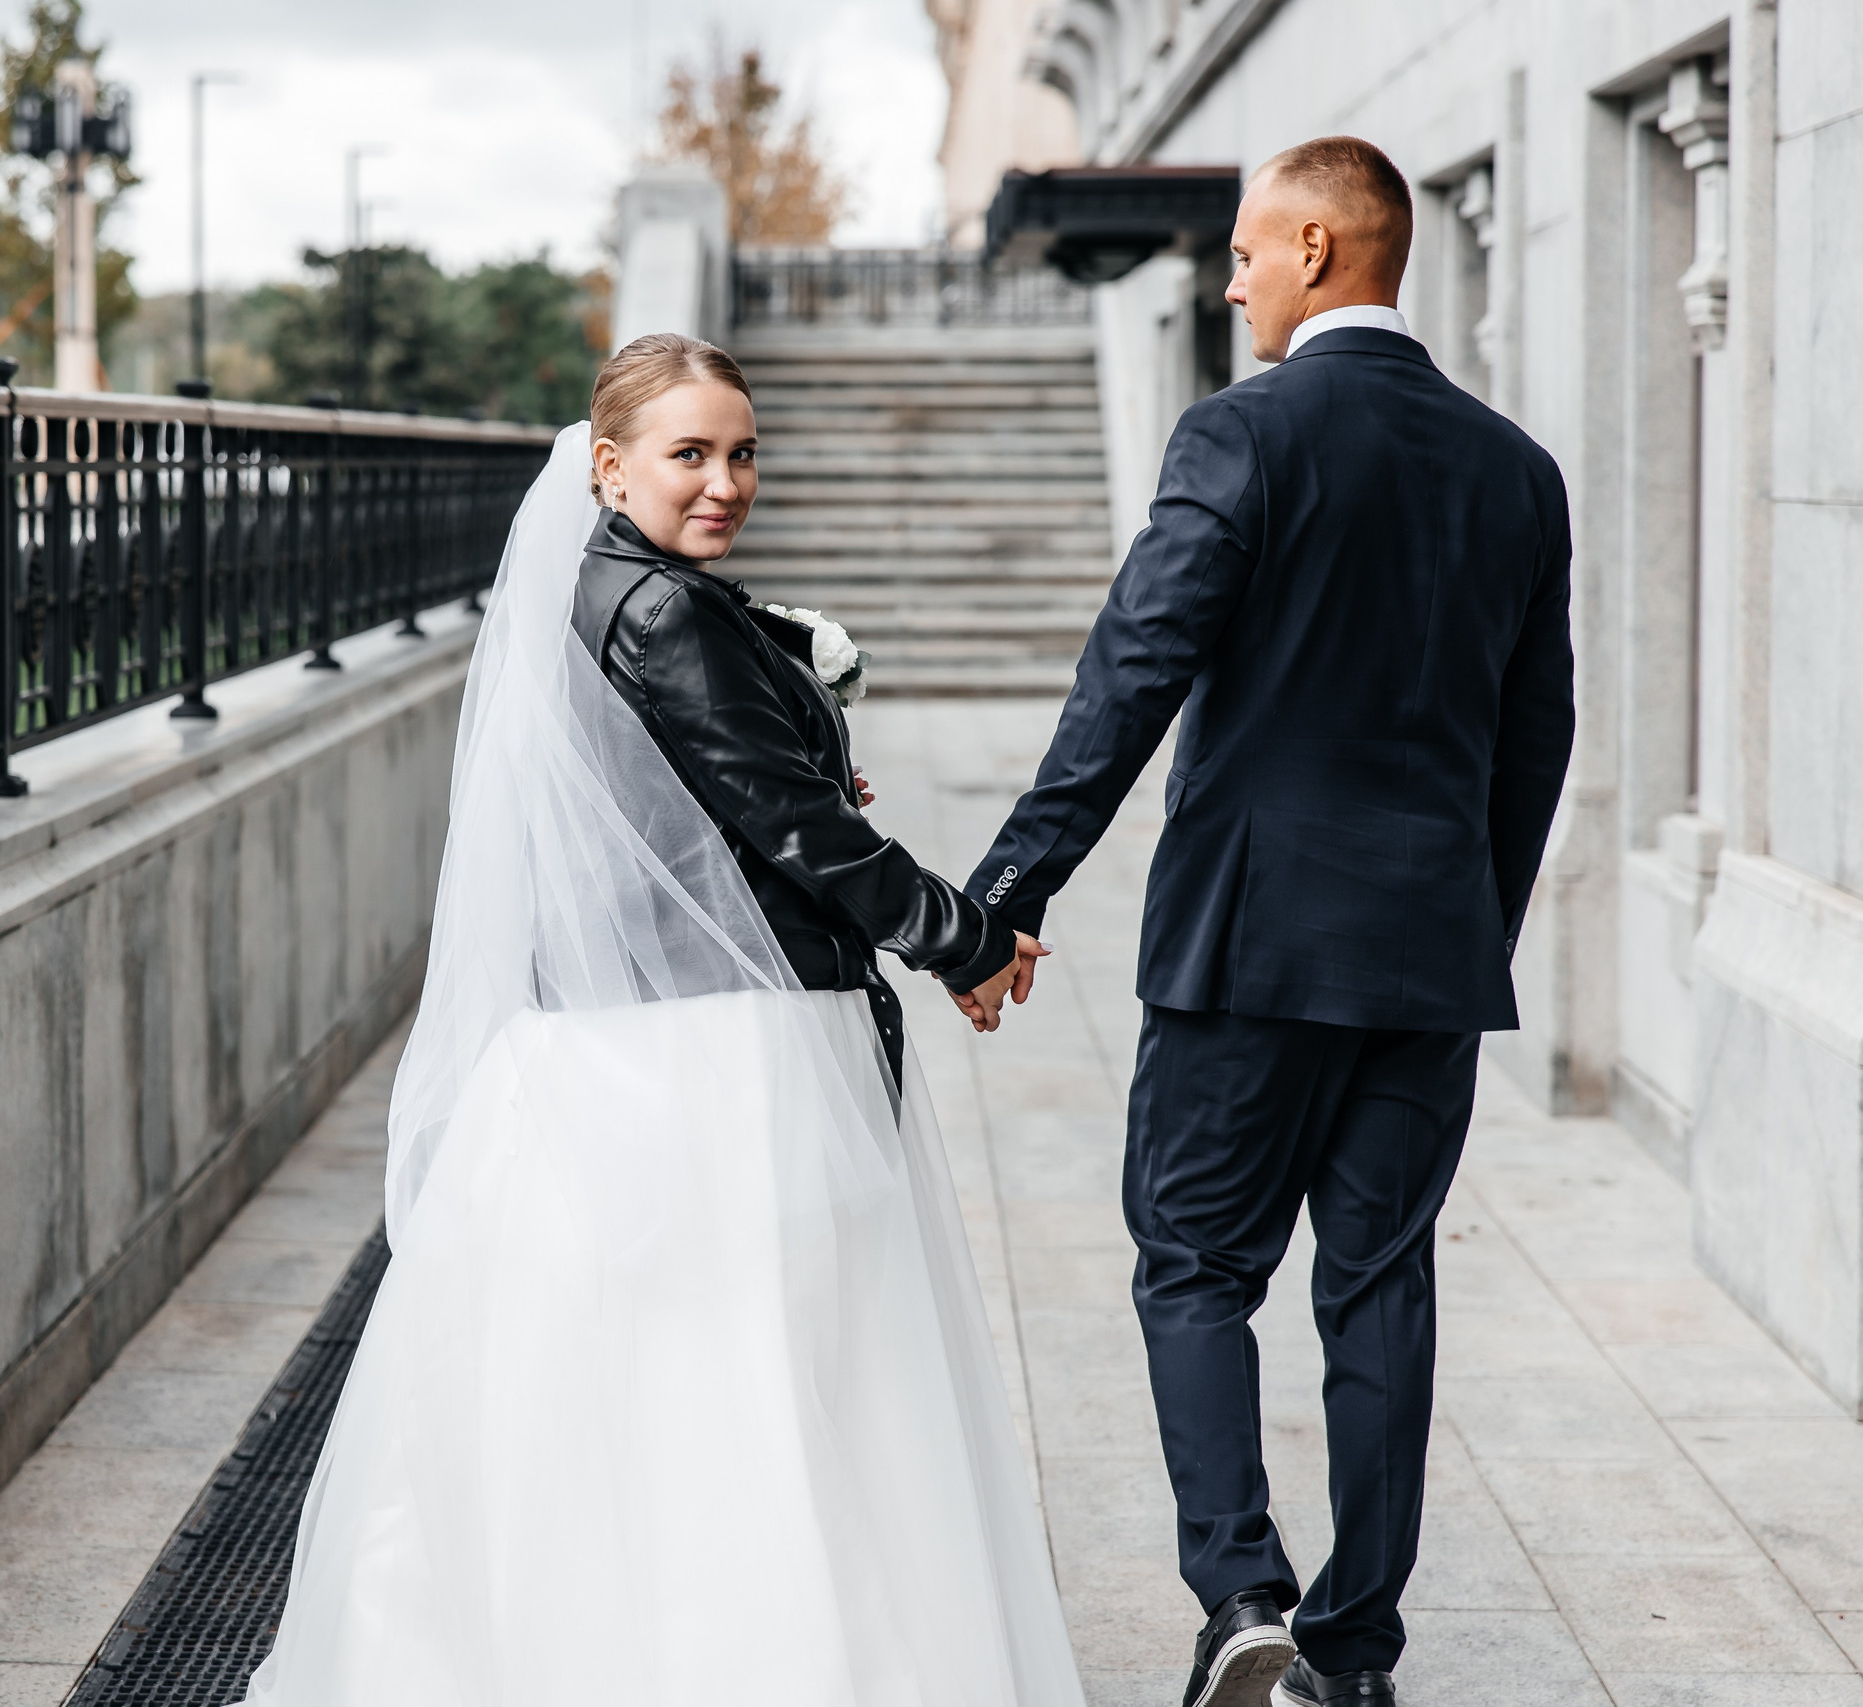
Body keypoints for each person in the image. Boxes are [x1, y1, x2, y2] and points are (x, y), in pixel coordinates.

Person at [234, 335, 1086, 1706]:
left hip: (603, 1046)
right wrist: (965, 938)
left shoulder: (604, 594)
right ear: (608, 463)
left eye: (743, 452)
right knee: (754, 1390)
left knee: (617, 1397)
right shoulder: (667, 614)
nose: (724, 481)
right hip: (713, 1056)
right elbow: (794, 828)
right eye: (689, 454)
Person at [941, 138, 1577, 1707]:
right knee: (1382, 1286)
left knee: (1193, 1270)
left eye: (1241, 250)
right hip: (1427, 957)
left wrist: (1006, 894)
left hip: (1247, 950)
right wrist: (1464, 923)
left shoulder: (1242, 435)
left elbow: (1131, 676)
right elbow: (1537, 733)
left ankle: (1243, 1603)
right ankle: (1351, 1658)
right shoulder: (1517, 468)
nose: (1226, 279)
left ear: (1313, 246)